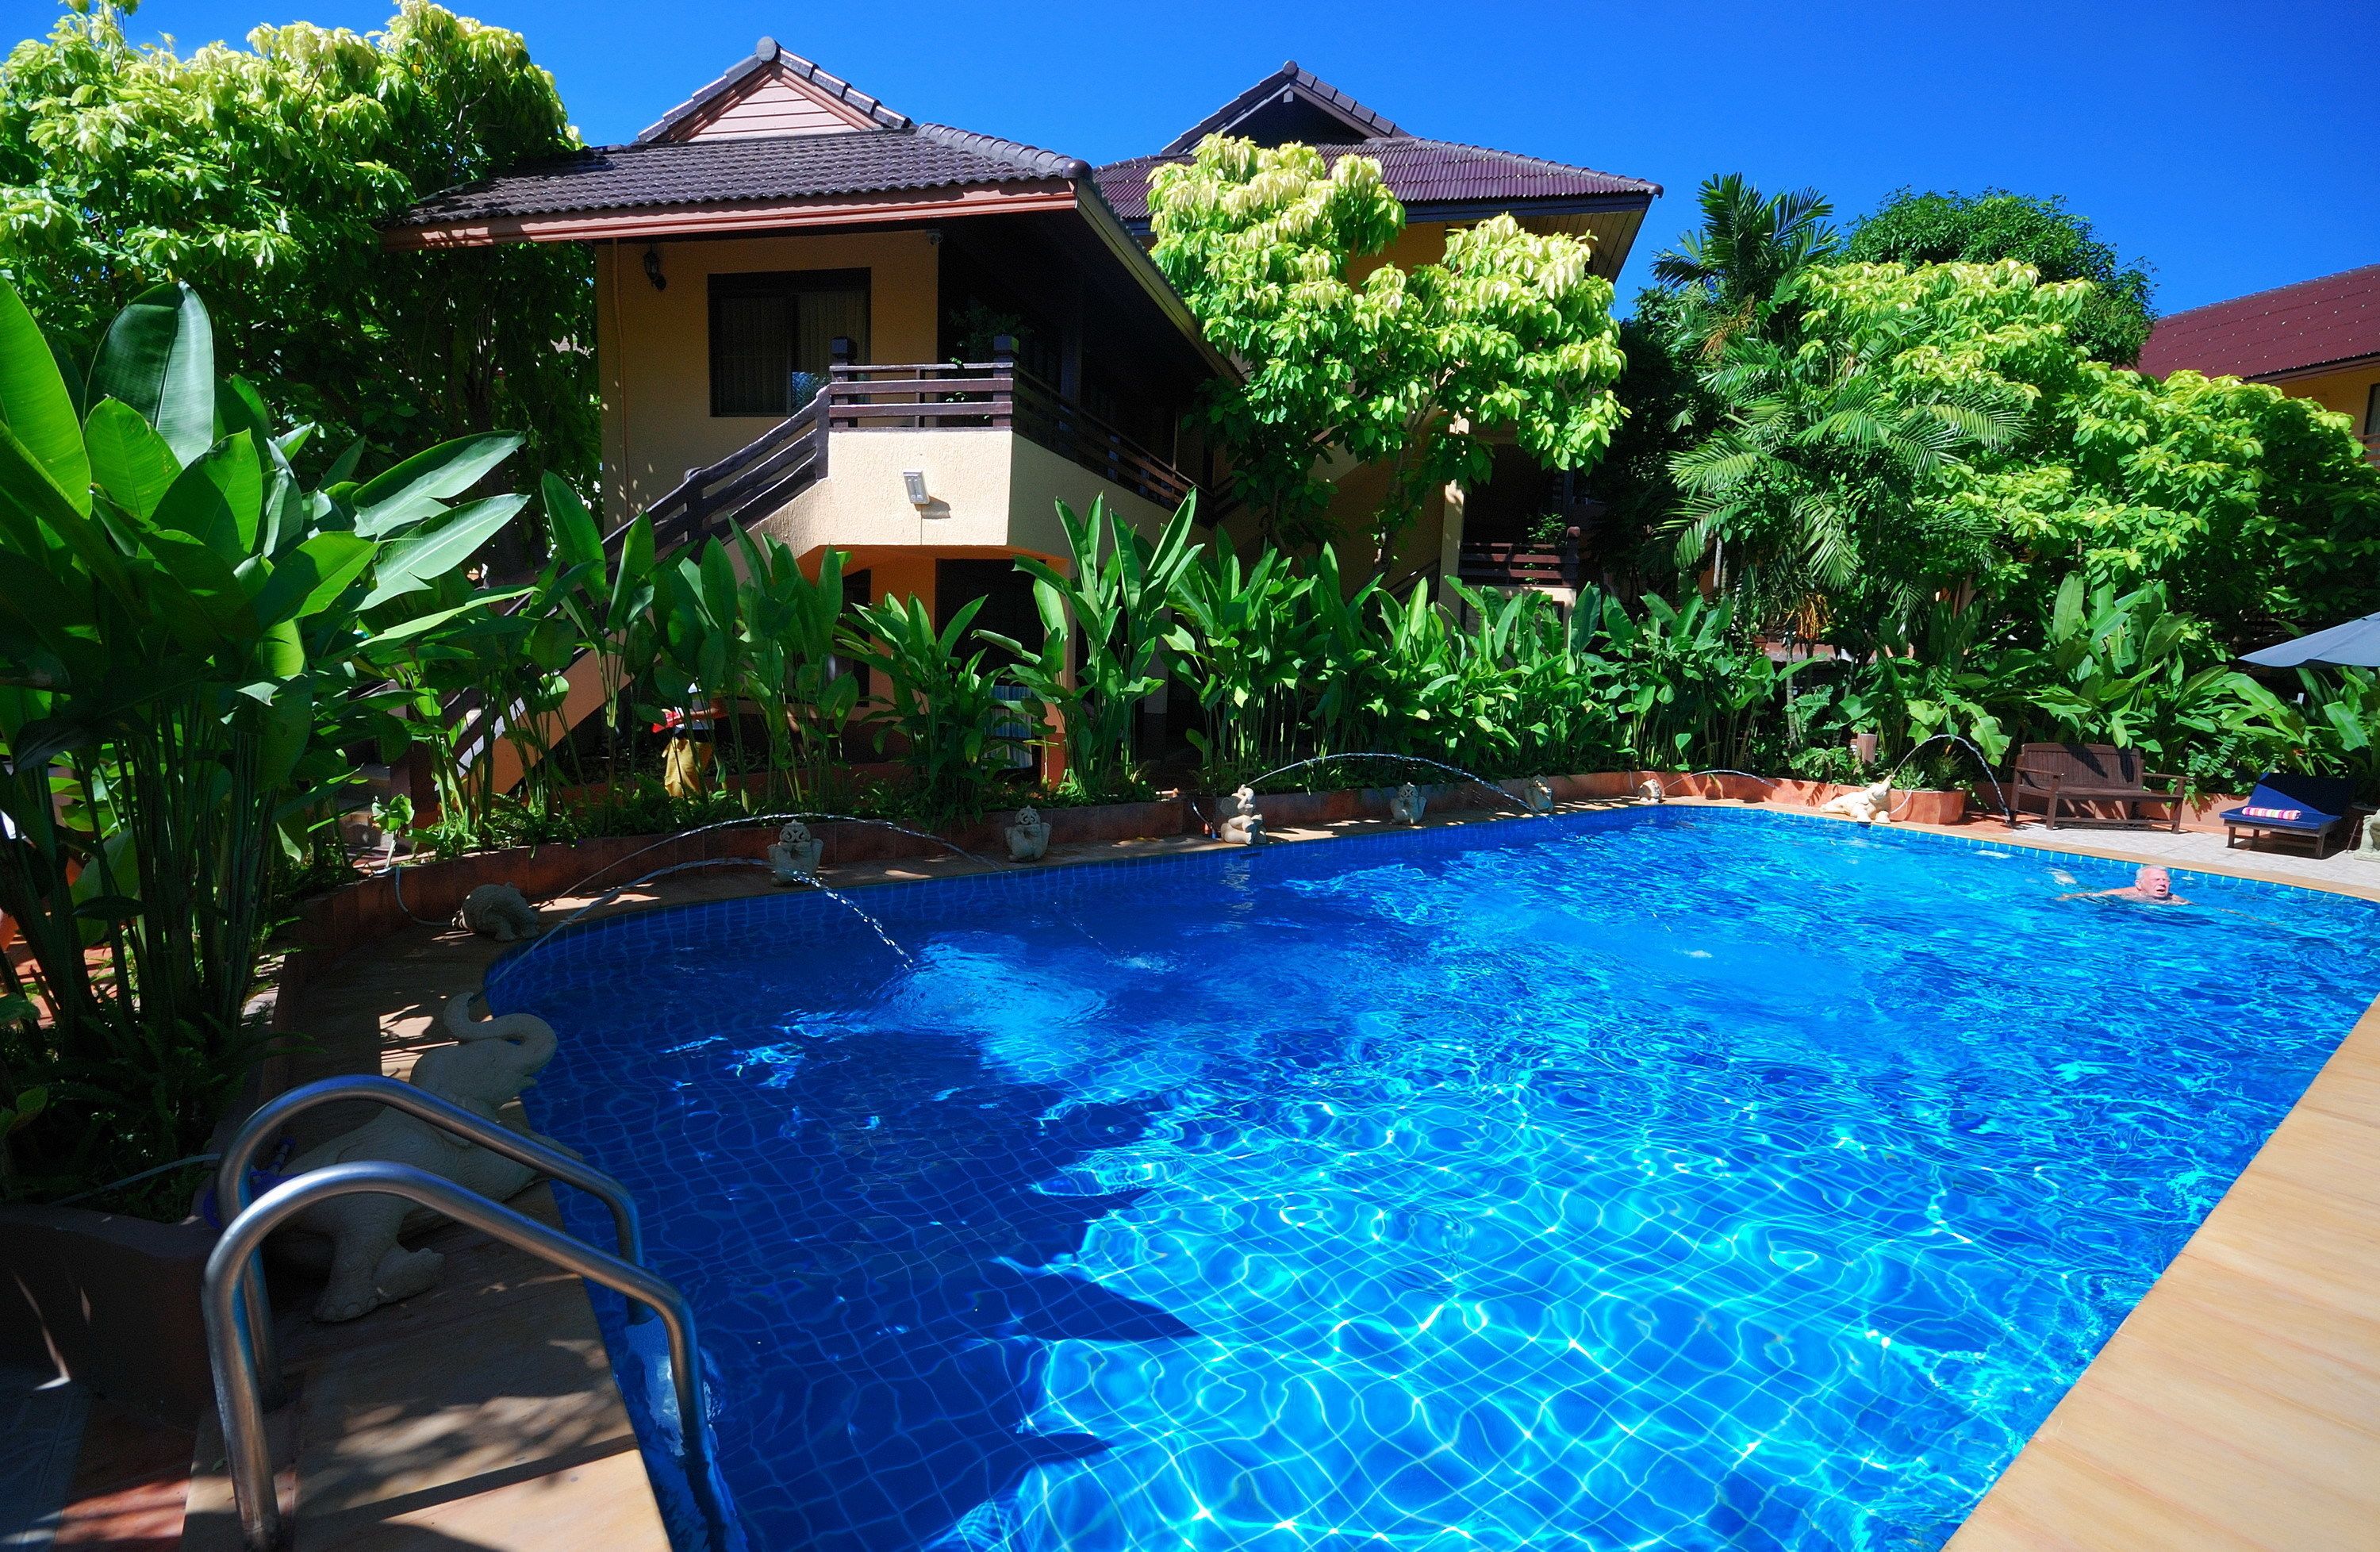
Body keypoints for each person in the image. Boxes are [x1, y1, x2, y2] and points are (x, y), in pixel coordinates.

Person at [2060, 864, 2188, 905]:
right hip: (2101, 893)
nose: (2162, 884)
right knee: (2079, 886)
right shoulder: (2126, 894)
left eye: (2165, 880)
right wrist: (2069, 896)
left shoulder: (2177, 901)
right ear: (2139, 884)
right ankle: (2065, 878)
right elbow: (2094, 895)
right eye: (2156, 880)